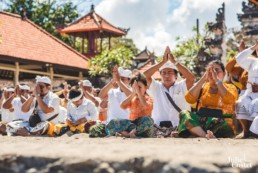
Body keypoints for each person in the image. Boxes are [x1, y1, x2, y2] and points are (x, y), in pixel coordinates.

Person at [178, 60, 238, 138]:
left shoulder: (230, 87)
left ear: (224, 74)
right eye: (210, 71)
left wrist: (217, 80)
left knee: (218, 121)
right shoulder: (203, 87)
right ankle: (206, 136)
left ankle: (199, 133)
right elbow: (189, 99)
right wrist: (203, 79)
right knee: (184, 113)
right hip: (203, 124)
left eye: (217, 71)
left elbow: (229, 100)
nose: (213, 73)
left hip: (222, 124)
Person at [144, 47, 195, 128]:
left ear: (175, 75)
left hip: (180, 127)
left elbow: (191, 78)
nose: (166, 75)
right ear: (160, 75)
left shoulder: (181, 85)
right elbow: (144, 76)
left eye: (169, 72)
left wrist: (174, 62)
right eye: (163, 73)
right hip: (158, 127)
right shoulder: (156, 86)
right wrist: (162, 62)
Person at [106, 72, 154, 138]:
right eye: (134, 87)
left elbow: (146, 106)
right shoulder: (133, 98)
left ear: (145, 87)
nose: (137, 90)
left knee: (148, 120)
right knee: (113, 121)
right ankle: (129, 134)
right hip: (132, 125)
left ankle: (128, 134)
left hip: (144, 127)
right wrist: (132, 94)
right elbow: (122, 106)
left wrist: (139, 93)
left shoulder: (149, 98)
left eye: (139, 87)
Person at [235, 42, 258, 138]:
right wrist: (253, 47)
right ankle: (246, 131)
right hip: (250, 93)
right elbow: (239, 59)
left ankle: (254, 132)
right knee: (240, 102)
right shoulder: (253, 62)